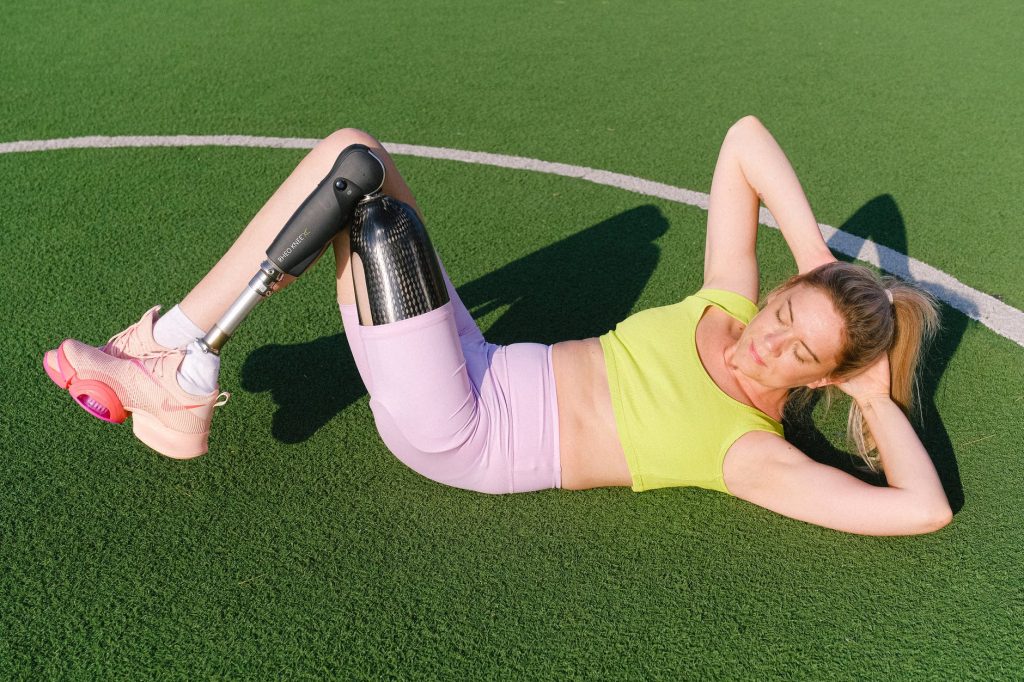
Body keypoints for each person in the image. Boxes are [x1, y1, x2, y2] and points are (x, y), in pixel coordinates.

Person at [43, 116, 951, 536]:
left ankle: (174, 363)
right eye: (784, 311)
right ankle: (179, 374)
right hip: (473, 358)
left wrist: (877, 395)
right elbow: (744, 139)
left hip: (464, 431)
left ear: (820, 380)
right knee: (359, 159)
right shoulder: (727, 302)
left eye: (799, 352)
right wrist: (814, 262)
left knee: (369, 198)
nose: (768, 340)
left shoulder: (748, 451)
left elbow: (922, 508)